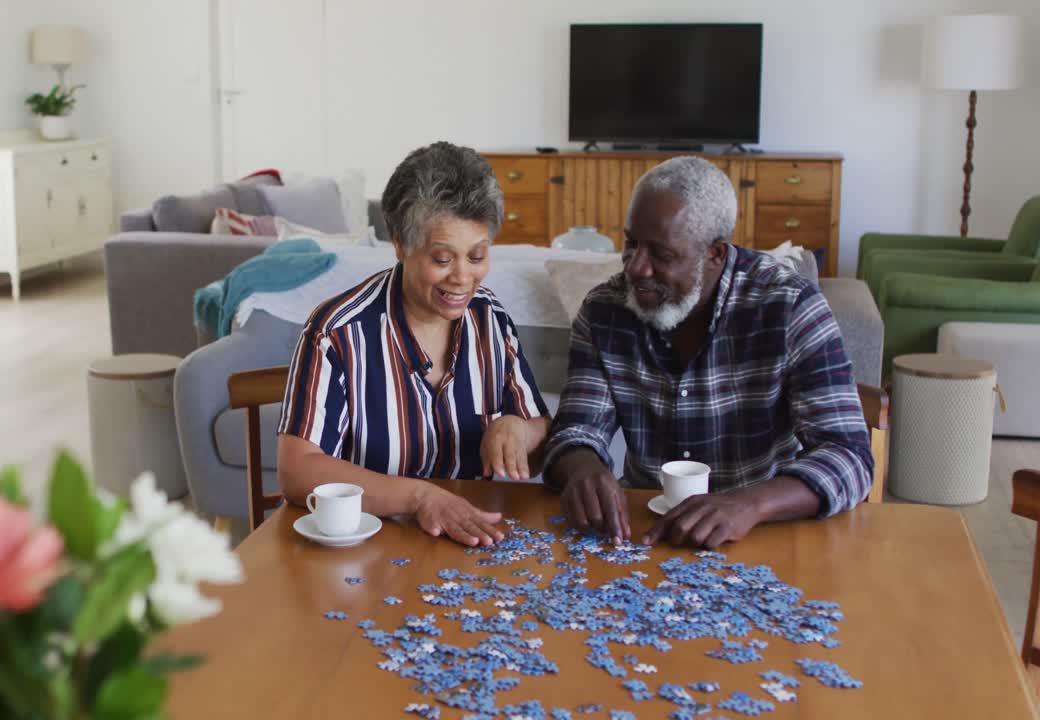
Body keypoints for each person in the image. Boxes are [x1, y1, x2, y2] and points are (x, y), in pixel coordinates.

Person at [543, 156, 872, 549]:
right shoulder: (604, 311)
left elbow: (849, 456)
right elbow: (577, 429)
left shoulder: (789, 306)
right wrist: (582, 467)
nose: (636, 268)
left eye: (661, 255)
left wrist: (749, 504)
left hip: (764, 533)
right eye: (631, 244)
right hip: (645, 534)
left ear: (715, 253)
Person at [277, 142, 550, 547]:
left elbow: (541, 434)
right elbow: (297, 471)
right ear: (401, 244)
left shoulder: (490, 317)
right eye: (442, 259)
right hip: (369, 549)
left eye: (476, 257)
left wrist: (519, 431)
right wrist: (420, 496)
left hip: (473, 543)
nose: (462, 278)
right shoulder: (337, 332)